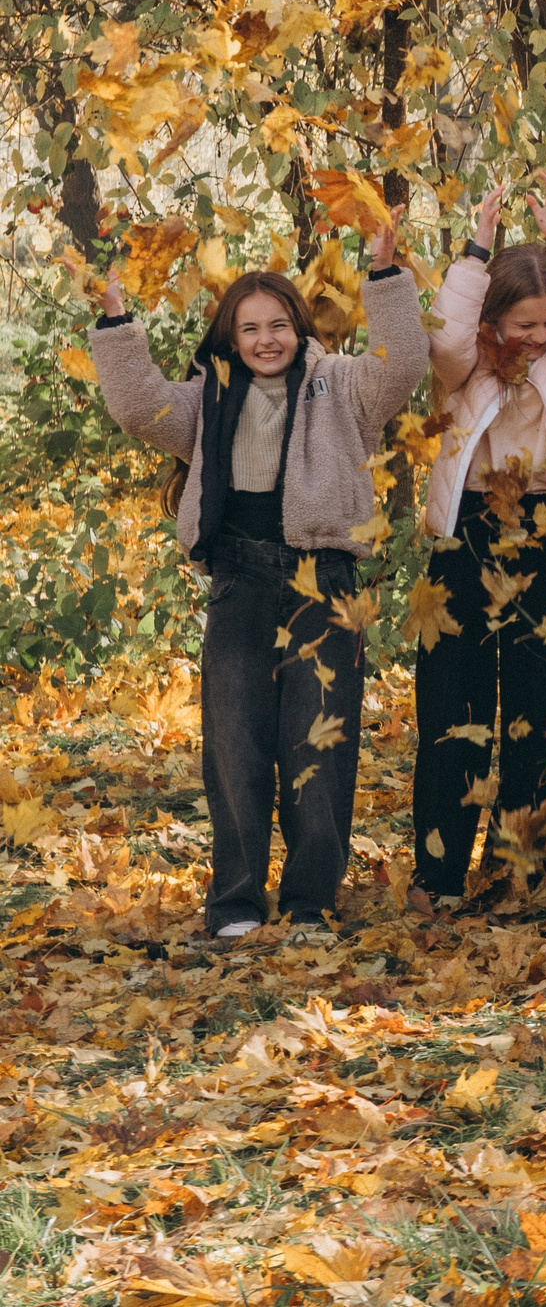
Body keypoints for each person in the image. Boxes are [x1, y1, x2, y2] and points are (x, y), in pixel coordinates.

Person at [88, 221, 427, 939]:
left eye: (278, 324)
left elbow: (402, 369)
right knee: (236, 745)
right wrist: (116, 319)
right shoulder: (208, 398)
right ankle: (238, 899)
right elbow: (134, 402)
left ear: (298, 327)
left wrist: (386, 275)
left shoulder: (339, 385)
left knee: (319, 742)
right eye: (250, 328)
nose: (266, 338)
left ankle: (310, 899)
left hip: (324, 585)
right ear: (231, 336)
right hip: (241, 583)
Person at [412, 173, 546, 913]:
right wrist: (477, 251)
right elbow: (444, 336)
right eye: (522, 323)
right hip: (466, 533)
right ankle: (438, 874)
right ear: (495, 321)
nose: (537, 337)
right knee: (452, 706)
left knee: (538, 703)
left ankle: (521, 870)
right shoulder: (466, 368)